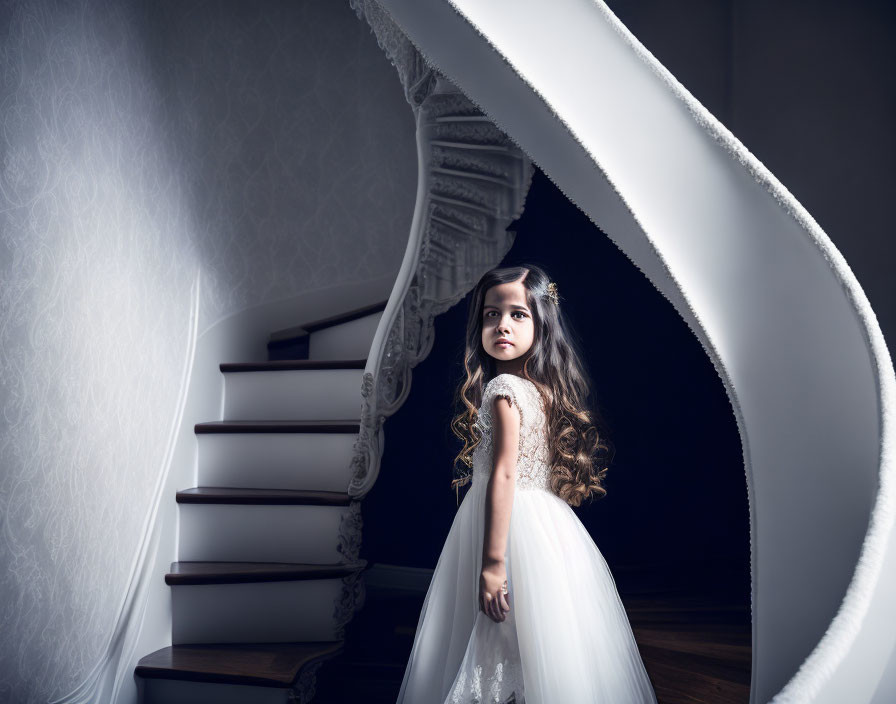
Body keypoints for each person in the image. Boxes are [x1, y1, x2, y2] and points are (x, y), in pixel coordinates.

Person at [396, 264, 658, 704]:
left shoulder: (503, 388)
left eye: (519, 314)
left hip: (508, 527)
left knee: (496, 637)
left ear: (541, 323)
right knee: (537, 643)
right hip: (544, 525)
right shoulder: (539, 388)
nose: (502, 325)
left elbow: (504, 473)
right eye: (490, 314)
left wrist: (493, 563)